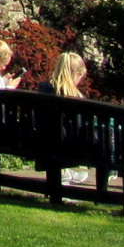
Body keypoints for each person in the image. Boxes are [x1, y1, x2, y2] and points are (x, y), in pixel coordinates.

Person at [40, 52, 93, 186]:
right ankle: (64, 176)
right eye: (80, 77)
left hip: (42, 142)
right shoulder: (75, 97)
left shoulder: (44, 89)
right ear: (76, 73)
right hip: (68, 146)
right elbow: (81, 126)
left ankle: (64, 173)